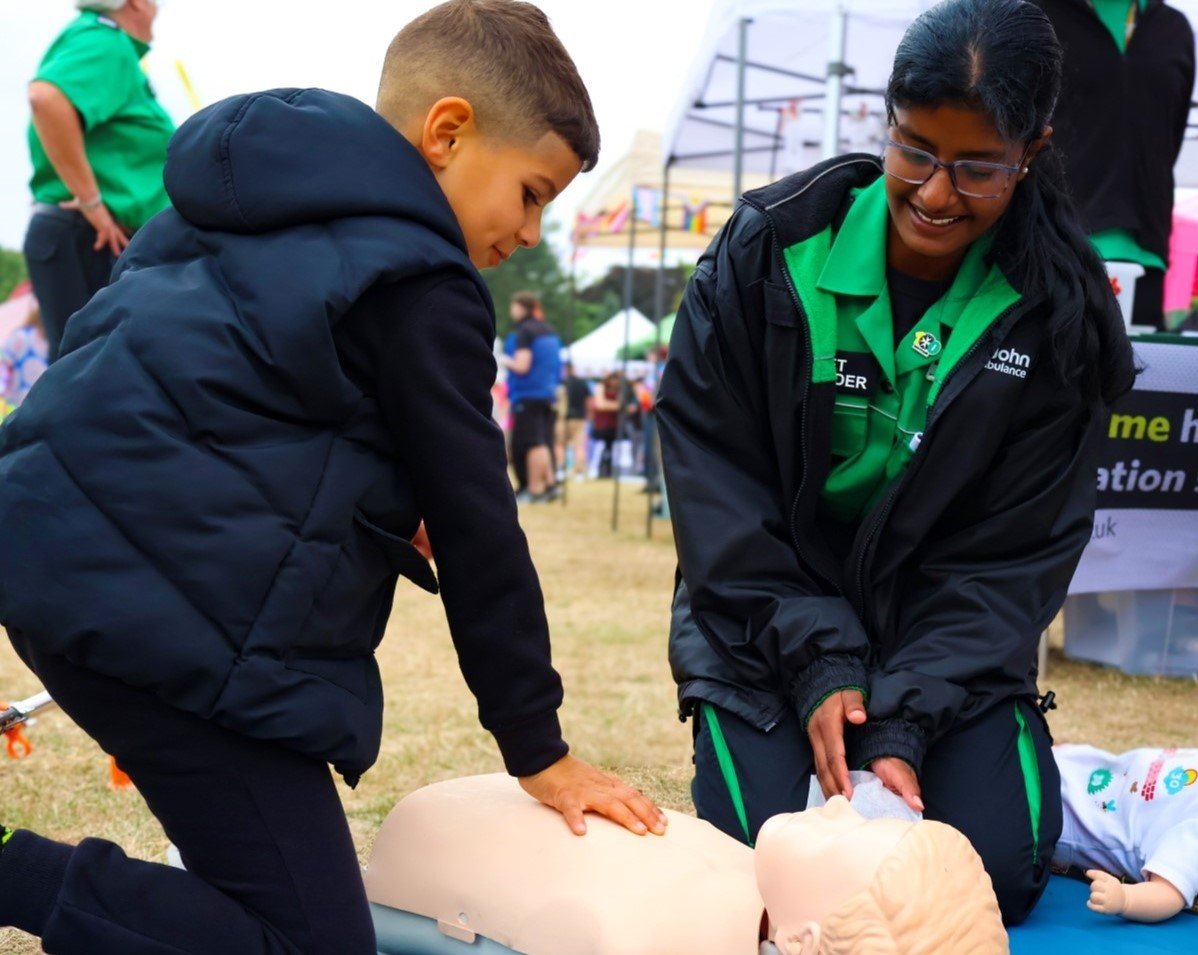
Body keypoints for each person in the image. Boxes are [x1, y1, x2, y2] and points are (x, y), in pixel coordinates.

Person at [0, 3, 666, 953]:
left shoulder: (223, 205)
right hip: (156, 620)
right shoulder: (424, 283)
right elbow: (482, 528)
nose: (530, 230)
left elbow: (226, 397)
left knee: (275, 900)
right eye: (530, 192)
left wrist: (391, 499)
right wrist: (539, 749)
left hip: (51, 555)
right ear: (446, 134)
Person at [656, 0, 1135, 926]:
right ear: (887, 120)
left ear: (1031, 150)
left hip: (943, 638)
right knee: (767, 877)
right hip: (770, 621)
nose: (937, 193)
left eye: (978, 168)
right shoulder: (767, 250)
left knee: (992, 875)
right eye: (915, 150)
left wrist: (906, 717)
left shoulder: (1058, 314)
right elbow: (718, 488)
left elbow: (1013, 559)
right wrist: (822, 663)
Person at [364, 774, 1007, 955]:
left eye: (845, 837)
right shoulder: (752, 884)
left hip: (436, 860)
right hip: (440, 834)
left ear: (803, 940)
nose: (842, 804)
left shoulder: (620, 938)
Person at [24, 0, 174, 361]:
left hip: (89, 237)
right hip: (88, 237)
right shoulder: (107, 41)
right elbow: (46, 97)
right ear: (136, 3)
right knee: (89, 377)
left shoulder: (106, 43)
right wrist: (92, 204)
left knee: (94, 375)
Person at [1033, 0, 1194, 330]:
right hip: (1050, 250)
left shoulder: (1173, 29)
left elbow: (1167, 139)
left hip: (1146, 255)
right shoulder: (1036, 17)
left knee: (1139, 377)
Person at [1054, 744, 1197, 922]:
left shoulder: (1192, 835)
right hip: (1081, 762)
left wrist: (1126, 899)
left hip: (1065, 812)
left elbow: (1167, 894)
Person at [502, 291, 562, 502]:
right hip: (547, 394)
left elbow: (522, 365)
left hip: (528, 394)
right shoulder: (549, 331)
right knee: (543, 440)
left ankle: (534, 490)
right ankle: (550, 484)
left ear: (521, 307)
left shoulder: (525, 331)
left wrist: (501, 358)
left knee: (531, 443)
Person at [557, 359, 591, 481]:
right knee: (579, 447)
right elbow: (588, 401)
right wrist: (588, 415)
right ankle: (579, 473)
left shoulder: (561, 382)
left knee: (560, 445)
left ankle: (561, 470)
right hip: (579, 418)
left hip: (562, 419)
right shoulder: (582, 383)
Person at [590, 370, 622, 478]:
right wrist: (618, 406)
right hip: (602, 424)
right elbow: (600, 405)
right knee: (602, 448)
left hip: (613, 424)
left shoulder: (619, 390)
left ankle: (607, 471)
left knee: (610, 448)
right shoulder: (601, 387)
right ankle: (601, 470)